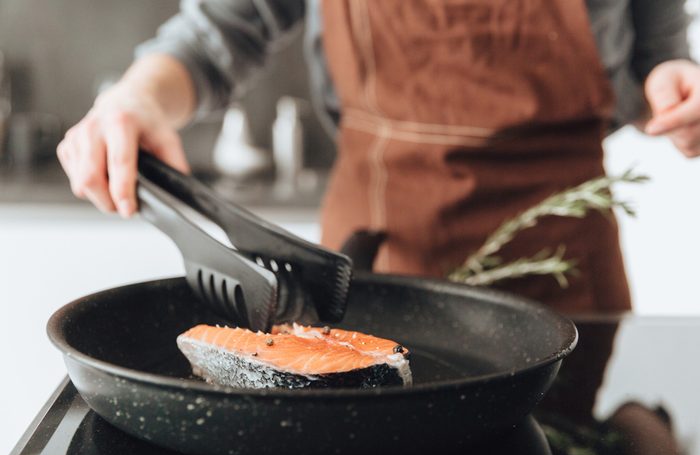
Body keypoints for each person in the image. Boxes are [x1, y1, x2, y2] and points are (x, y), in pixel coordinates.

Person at [57, 0, 696, 426]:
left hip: (568, 261)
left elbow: (653, 49)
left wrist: (673, 78)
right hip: (373, 253)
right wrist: (137, 99)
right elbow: (224, 25)